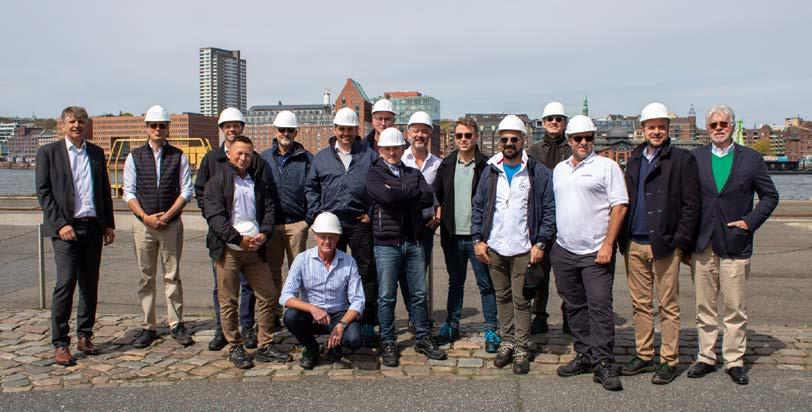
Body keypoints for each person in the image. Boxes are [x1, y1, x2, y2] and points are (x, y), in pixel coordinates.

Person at [686, 105, 779, 386]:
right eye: (713, 125)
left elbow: (770, 196)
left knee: (735, 307)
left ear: (732, 125)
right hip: (702, 243)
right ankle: (706, 356)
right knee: (704, 306)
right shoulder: (695, 158)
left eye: (723, 124)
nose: (718, 128)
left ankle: (734, 360)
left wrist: (749, 222)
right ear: (707, 128)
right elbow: (686, 200)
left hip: (735, 242)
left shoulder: (750, 158)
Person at [618, 103, 700, 384]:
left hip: (664, 244)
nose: (656, 131)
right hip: (634, 242)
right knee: (640, 305)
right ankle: (643, 355)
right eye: (651, 127)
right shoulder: (635, 157)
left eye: (661, 127)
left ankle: (669, 360)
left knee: (668, 305)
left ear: (668, 129)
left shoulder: (682, 159)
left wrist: (680, 242)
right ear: (642, 129)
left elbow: (691, 205)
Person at [472, 115, 556, 375]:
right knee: (502, 297)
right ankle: (507, 341)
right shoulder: (490, 170)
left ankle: (521, 347)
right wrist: (477, 240)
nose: (509, 143)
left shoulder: (537, 171)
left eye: (514, 139)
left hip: (523, 247)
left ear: (523, 140)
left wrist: (541, 242)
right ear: (499, 141)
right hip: (496, 247)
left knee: (521, 300)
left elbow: (549, 210)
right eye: (505, 139)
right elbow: (478, 206)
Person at [551, 115, 628, 391]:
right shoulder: (559, 169)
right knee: (574, 307)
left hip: (596, 251)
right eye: (578, 138)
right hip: (565, 249)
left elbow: (620, 206)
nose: (583, 142)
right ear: (569, 140)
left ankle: (604, 361)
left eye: (588, 138)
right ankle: (584, 354)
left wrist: (608, 244)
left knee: (600, 307)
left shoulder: (607, 166)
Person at [36, 106, 115, 366]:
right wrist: (60, 225)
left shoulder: (96, 153)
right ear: (62, 125)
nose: (76, 125)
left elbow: (104, 190)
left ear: (86, 125)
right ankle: (61, 343)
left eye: (81, 121)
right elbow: (44, 192)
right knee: (66, 282)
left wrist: (109, 224)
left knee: (89, 284)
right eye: (71, 121)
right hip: (65, 230)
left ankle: (85, 335)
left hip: (92, 227)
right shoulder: (48, 153)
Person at [203, 135, 291, 369]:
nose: (243, 158)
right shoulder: (216, 182)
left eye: (248, 154)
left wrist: (265, 232)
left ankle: (265, 344)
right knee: (228, 300)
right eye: (239, 153)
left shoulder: (258, 182)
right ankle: (235, 346)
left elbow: (269, 209)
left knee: (268, 294)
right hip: (228, 250)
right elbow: (215, 218)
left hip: (254, 250)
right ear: (229, 154)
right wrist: (237, 239)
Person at [367, 127, 447, 367]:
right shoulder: (374, 174)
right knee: (386, 296)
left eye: (396, 148)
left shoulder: (413, 172)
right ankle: (388, 340)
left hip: (413, 240)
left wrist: (396, 193)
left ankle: (422, 337)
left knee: (419, 294)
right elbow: (385, 197)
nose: (392, 152)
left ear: (403, 149)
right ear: (380, 150)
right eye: (387, 149)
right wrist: (408, 194)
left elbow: (427, 198)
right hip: (386, 243)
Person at [306, 107, 379, 347]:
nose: (345, 133)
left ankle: (366, 321)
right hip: (331, 223)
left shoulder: (369, 156)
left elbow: (379, 186)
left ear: (357, 130)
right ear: (335, 129)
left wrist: (371, 213)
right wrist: (317, 215)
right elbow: (311, 188)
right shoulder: (321, 158)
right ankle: (330, 318)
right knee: (330, 271)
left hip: (359, 222)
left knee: (365, 272)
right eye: (341, 129)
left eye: (350, 129)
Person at [123, 105, 195, 348]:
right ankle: (148, 326)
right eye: (153, 125)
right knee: (146, 277)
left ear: (167, 128)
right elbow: (129, 192)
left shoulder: (178, 156)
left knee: (172, 276)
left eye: (161, 125)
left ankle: (176, 324)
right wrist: (146, 217)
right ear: (147, 128)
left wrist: (168, 216)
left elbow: (186, 191)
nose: (157, 129)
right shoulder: (134, 157)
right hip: (143, 226)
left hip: (171, 225)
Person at [195, 108, 264, 351]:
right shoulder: (211, 159)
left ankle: (247, 326)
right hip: (221, 236)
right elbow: (201, 191)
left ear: (242, 127)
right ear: (222, 129)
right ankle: (222, 329)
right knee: (222, 287)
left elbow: (264, 193)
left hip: (249, 236)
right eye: (228, 126)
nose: (232, 129)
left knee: (248, 285)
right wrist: (213, 218)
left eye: (236, 125)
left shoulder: (255, 159)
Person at [433, 118, 500, 352]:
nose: (463, 139)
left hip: (478, 237)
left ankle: (491, 328)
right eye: (459, 135)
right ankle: (452, 325)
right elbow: (437, 195)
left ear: (476, 137)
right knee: (455, 283)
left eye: (468, 135)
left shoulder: (486, 165)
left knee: (485, 283)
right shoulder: (447, 164)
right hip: (452, 235)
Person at [279, 212, 365, 370]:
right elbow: (285, 296)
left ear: (338, 238)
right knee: (290, 317)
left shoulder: (348, 261)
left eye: (332, 237)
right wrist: (312, 308)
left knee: (355, 339)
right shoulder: (302, 259)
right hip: (311, 315)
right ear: (315, 236)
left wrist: (341, 325)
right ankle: (311, 347)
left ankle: (335, 344)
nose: (327, 241)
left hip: (338, 314)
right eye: (323, 236)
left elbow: (358, 301)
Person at [260, 110, 313, 328]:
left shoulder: (307, 158)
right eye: (282, 130)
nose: (286, 134)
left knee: (297, 272)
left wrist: (307, 221)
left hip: (296, 224)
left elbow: (313, 189)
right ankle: (274, 313)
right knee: (272, 273)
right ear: (275, 131)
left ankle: (296, 314)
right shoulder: (264, 158)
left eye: (290, 130)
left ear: (296, 132)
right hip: (272, 225)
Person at [526, 101, 571, 335]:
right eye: (550, 119)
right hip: (541, 217)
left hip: (567, 218)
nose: (554, 122)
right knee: (539, 272)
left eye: (558, 119)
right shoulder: (533, 151)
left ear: (565, 122)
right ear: (543, 123)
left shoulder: (572, 148)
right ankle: (539, 315)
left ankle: (569, 315)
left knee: (567, 273)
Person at [401, 111, 441, 331]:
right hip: (403, 224)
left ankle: (420, 316)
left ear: (430, 135)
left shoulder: (437, 164)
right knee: (404, 274)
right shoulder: (400, 159)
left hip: (426, 225)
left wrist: (438, 215)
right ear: (408, 133)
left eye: (424, 131)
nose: (419, 135)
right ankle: (413, 314)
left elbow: (440, 195)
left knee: (420, 272)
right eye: (415, 130)